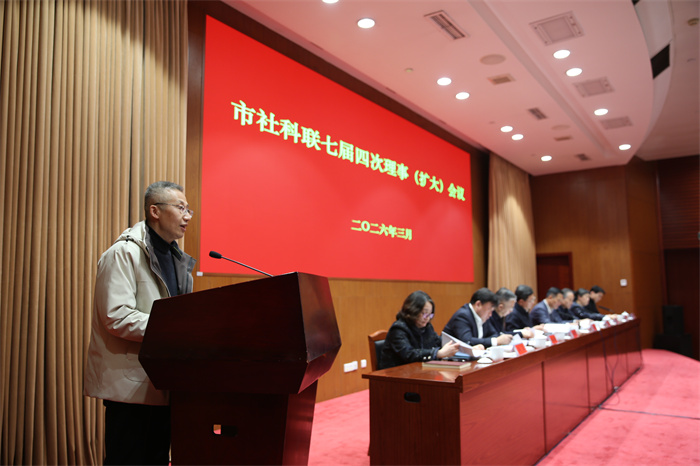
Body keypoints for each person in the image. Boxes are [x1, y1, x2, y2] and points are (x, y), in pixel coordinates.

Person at [84, 181, 196, 465]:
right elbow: (116, 316)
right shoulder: (124, 253)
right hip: (130, 387)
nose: (187, 216)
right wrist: (175, 328)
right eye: (180, 208)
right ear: (154, 211)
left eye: (189, 210)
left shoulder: (177, 259)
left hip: (164, 382)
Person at [381, 290, 459, 369]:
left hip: (418, 371)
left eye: (430, 315)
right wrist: (438, 353)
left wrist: (456, 346)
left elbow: (438, 342)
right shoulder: (398, 329)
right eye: (424, 313)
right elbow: (409, 354)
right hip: (395, 373)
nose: (427, 318)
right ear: (413, 311)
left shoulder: (427, 327)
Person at [443, 288, 512, 348]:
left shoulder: (483, 316)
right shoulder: (462, 316)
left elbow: (494, 334)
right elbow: (467, 341)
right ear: (478, 304)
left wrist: (495, 340)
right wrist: (495, 341)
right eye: (489, 310)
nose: (490, 314)